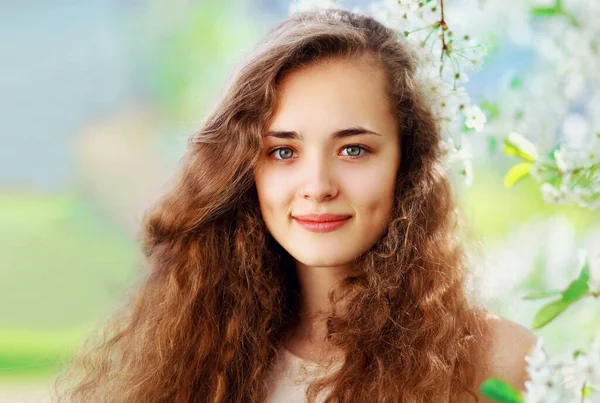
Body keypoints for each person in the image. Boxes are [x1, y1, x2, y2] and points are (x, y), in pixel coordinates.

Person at [53, 7, 538, 403]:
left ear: (406, 162)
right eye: (283, 151)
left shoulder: (502, 362)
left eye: (354, 149)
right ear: (245, 170)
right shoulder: (189, 355)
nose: (318, 185)